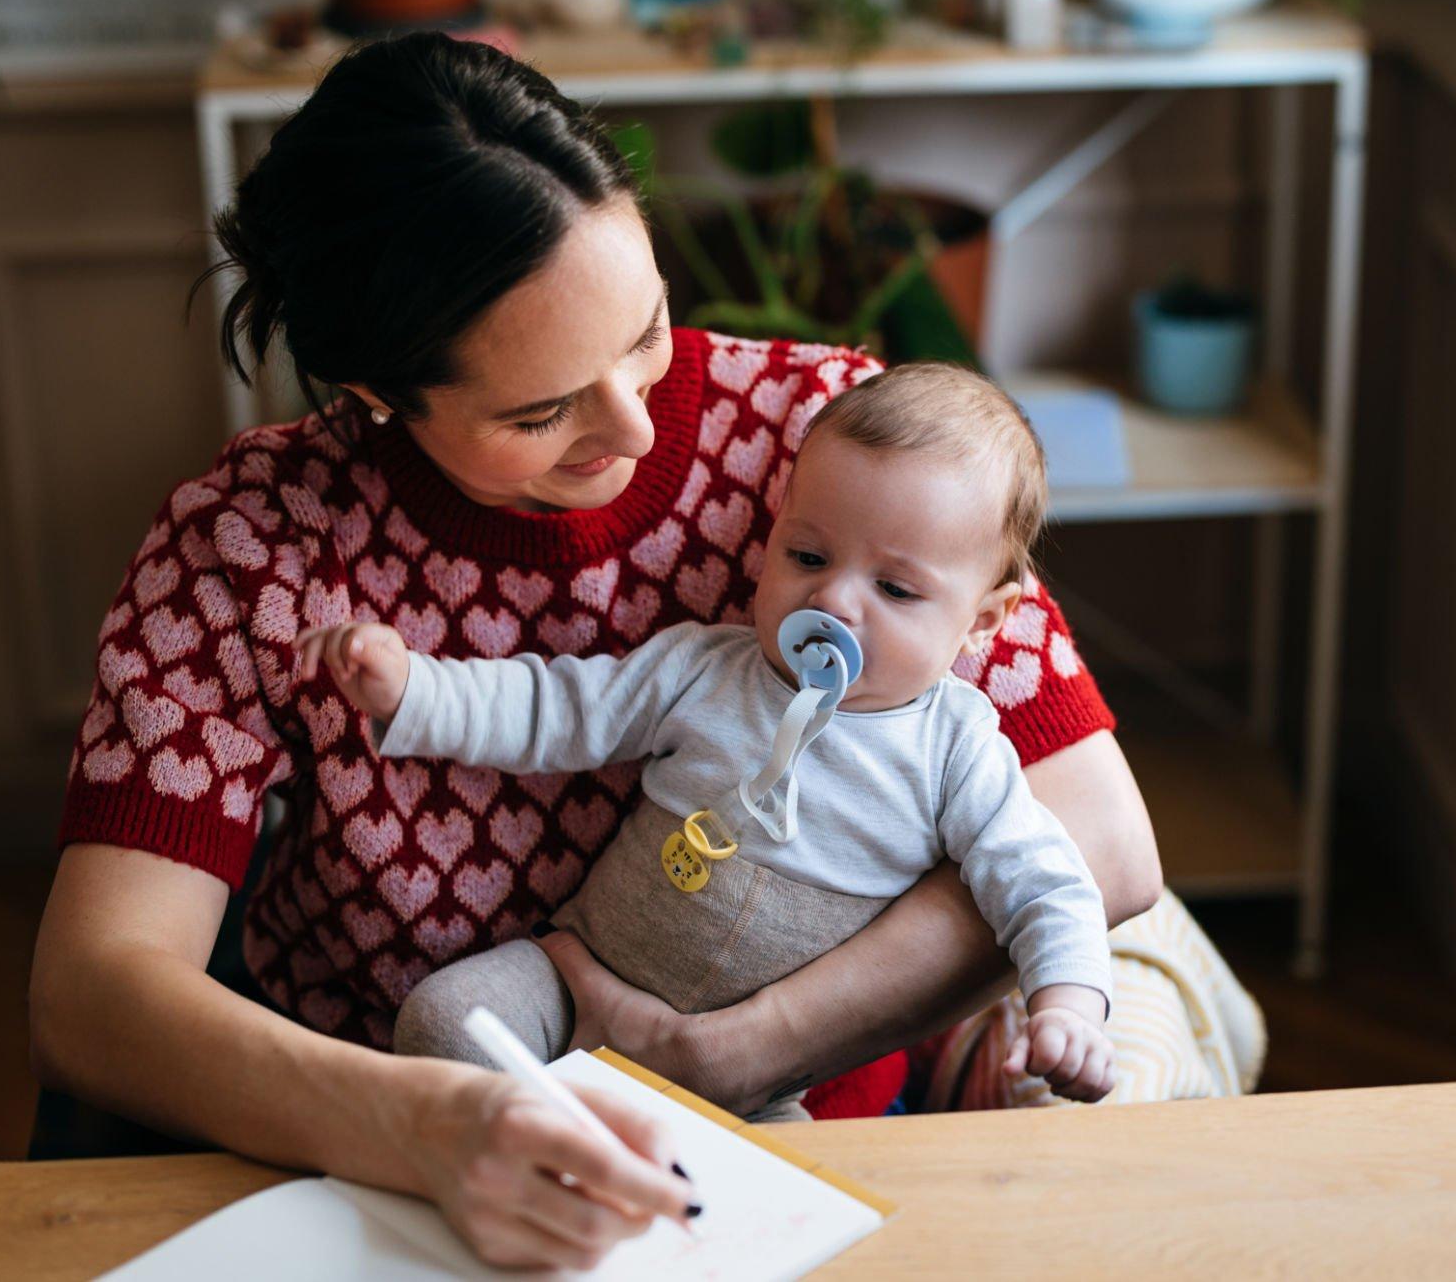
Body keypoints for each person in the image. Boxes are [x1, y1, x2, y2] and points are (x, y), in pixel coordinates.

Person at [28, 31, 1161, 1273]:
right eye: (538, 409)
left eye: (644, 328)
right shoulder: (250, 549)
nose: (630, 423)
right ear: (372, 393)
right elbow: (93, 995)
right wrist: (429, 1124)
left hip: (797, 1154)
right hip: (406, 1149)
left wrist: (748, 1047)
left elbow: (1098, 841)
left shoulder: (829, 445)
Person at [298, 364, 1120, 1116]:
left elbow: (1045, 882)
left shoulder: (957, 750)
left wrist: (1071, 1001)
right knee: (445, 1022)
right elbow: (555, 706)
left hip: (759, 1080)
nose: (833, 600)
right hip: (578, 982)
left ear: (983, 620)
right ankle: (548, 1154)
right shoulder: (708, 668)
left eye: (896, 588)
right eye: (806, 554)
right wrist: (415, 689)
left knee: (793, 1188)